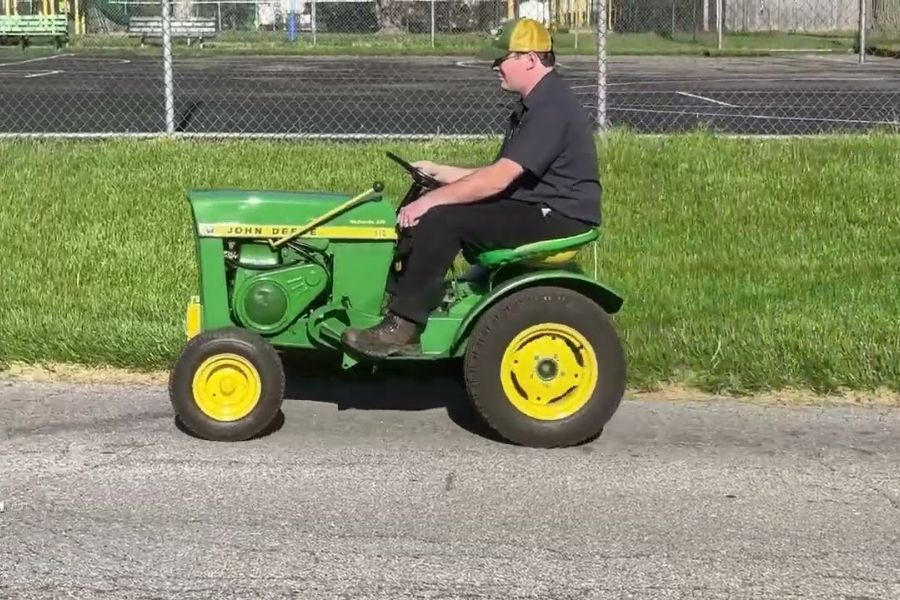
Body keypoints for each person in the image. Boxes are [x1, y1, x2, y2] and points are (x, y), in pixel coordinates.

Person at [342, 17, 602, 356]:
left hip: (559, 214)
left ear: (530, 58)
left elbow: (498, 180)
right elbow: (504, 172)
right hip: (539, 204)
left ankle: (403, 328)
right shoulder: (536, 103)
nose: (495, 66)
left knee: (440, 219)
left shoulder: (550, 107)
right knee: (434, 209)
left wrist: (431, 202)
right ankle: (399, 304)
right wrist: (440, 173)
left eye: (501, 58)